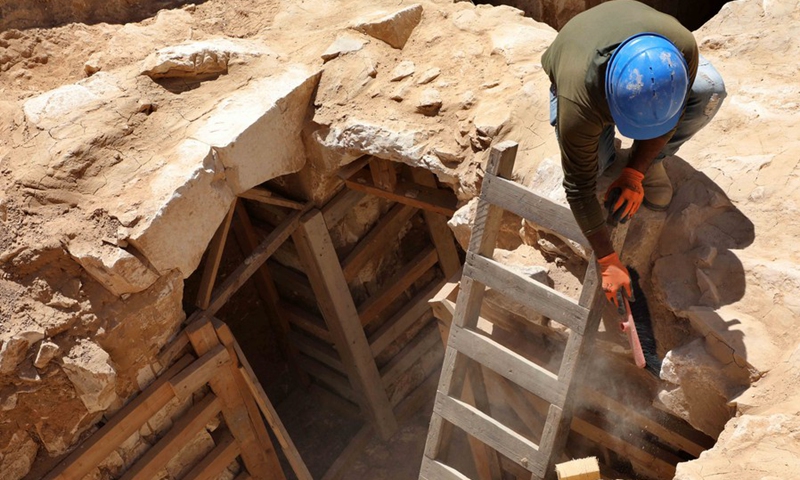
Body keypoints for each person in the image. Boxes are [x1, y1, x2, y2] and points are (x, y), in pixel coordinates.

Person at [541, 0, 726, 307]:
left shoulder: (682, 48)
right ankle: (610, 149)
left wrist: (635, 172)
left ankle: (651, 162)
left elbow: (674, 112)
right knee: (595, 165)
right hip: (578, 56)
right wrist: (608, 260)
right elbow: (578, 188)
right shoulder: (580, 104)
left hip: (642, 40)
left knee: (710, 90)